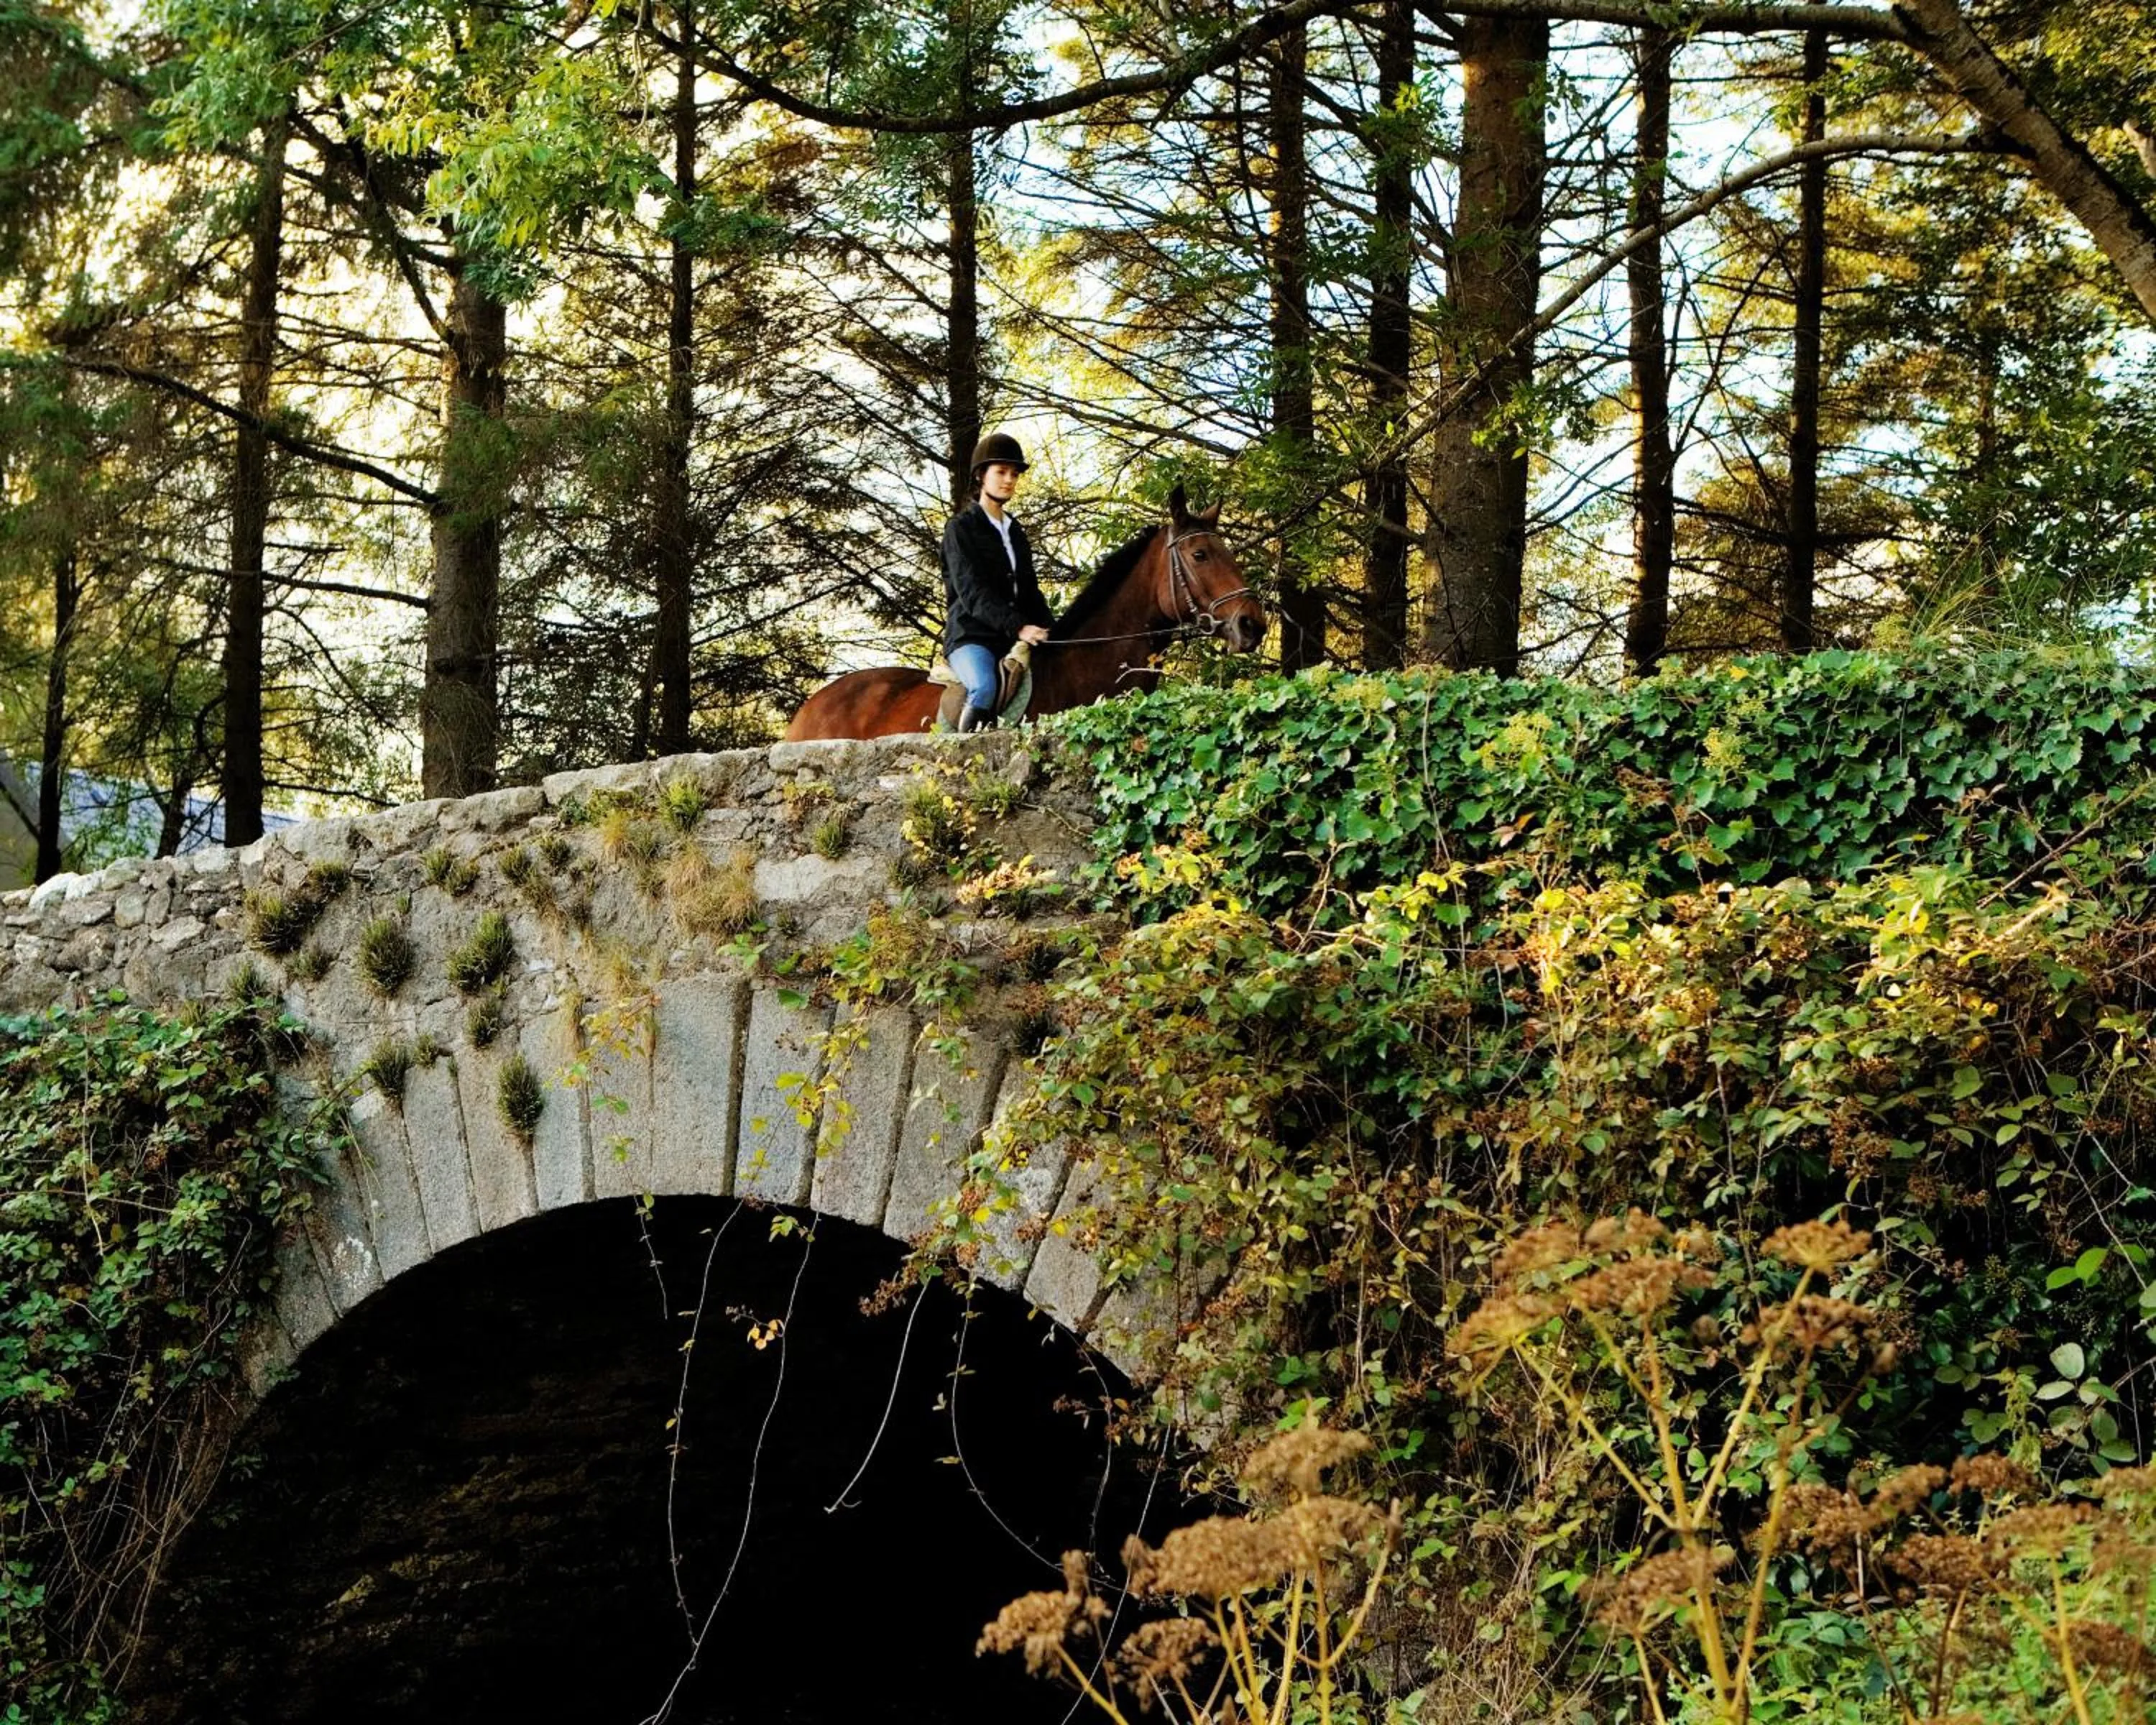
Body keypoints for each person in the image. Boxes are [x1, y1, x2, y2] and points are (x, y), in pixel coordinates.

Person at [941, 431, 1053, 730]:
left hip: (1011, 639)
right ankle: (965, 764)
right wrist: (1019, 626)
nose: (1009, 480)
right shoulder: (960, 529)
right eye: (1001, 472)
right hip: (972, 636)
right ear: (981, 475)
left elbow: (1029, 590)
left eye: (1014, 474)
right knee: (984, 687)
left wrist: (1052, 628)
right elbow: (972, 593)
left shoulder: (1015, 532)